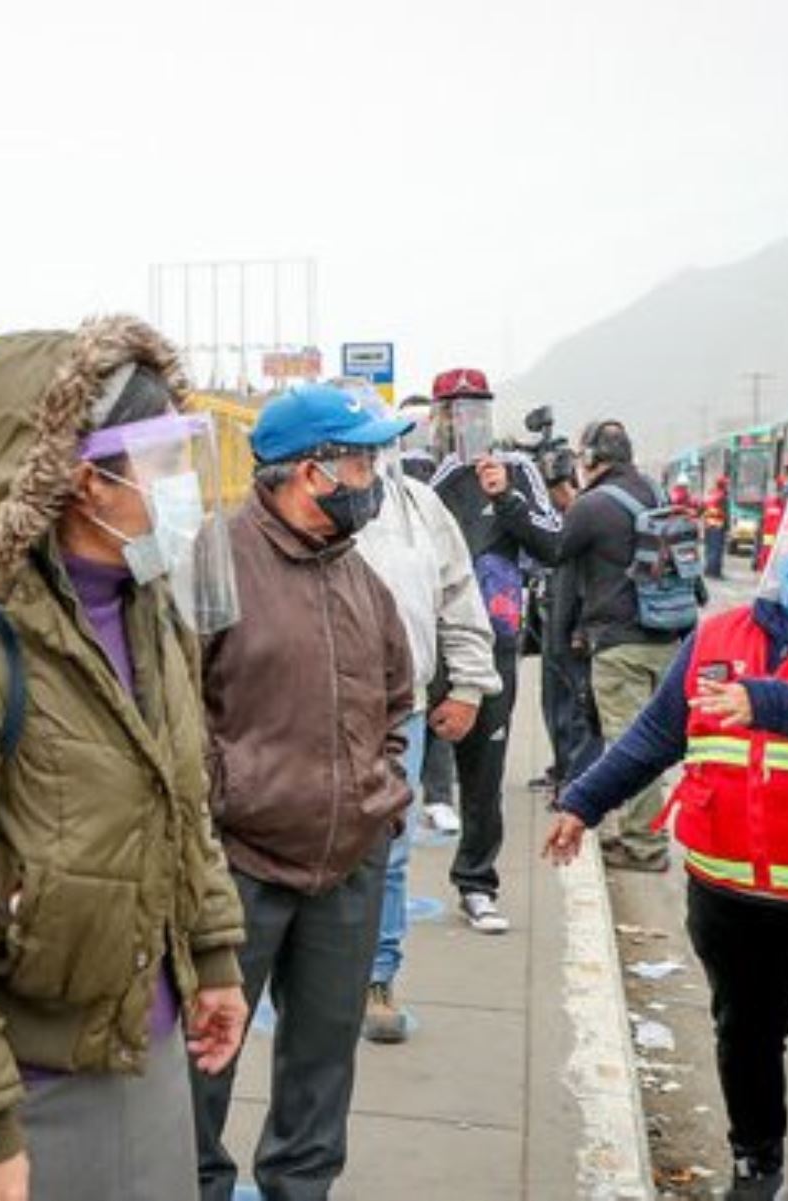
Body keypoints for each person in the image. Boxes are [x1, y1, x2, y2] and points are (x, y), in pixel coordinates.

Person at [0, 320, 248, 1201]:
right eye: (160, 461)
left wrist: (214, 955)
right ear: (83, 479)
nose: (184, 486)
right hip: (24, 1095)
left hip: (143, 1055)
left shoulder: (153, 615)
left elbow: (182, 809)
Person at [545, 479, 788, 1201]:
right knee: (743, 1039)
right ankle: (757, 1165)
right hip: (732, 899)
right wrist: (583, 801)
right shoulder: (718, 637)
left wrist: (767, 700)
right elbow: (656, 734)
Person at [192, 384, 414, 1200]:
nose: (373, 474)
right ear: (310, 473)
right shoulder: (212, 559)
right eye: (360, 458)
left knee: (321, 1072)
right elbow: (177, 706)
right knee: (201, 1067)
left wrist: (380, 791)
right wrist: (223, 801)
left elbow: (398, 695)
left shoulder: (360, 578)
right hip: (238, 866)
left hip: (347, 865)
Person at [347, 388, 500, 1044]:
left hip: (399, 712)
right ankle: (310, 976)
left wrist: (468, 683)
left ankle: (376, 979)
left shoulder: (419, 506)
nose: (375, 453)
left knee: (390, 849)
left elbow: (459, 596)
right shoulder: (296, 510)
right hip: (308, 713)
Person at [426, 367, 562, 933]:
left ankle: (477, 884)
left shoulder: (516, 470)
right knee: (393, 772)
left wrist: (505, 499)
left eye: (478, 409)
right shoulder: (414, 471)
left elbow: (554, 544)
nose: (467, 421)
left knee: (484, 774)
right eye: (455, 411)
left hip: (493, 645)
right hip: (424, 643)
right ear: (435, 416)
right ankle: (376, 906)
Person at [557, 420, 699, 872]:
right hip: (668, 636)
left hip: (620, 644)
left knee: (629, 744)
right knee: (656, 740)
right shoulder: (655, 493)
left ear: (593, 459)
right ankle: (641, 834)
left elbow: (550, 549)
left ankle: (644, 846)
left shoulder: (592, 505)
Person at [533, 442, 603, 800]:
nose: (554, 498)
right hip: (556, 621)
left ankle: (576, 784)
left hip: (578, 628)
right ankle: (563, 771)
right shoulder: (574, 513)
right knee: (554, 705)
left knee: (577, 711)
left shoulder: (589, 512)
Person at [702, 475, 731, 579]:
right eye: (726, 484)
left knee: (709, 549)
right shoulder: (722, 496)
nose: (728, 486)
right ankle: (715, 572)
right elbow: (725, 513)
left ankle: (708, 570)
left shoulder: (710, 494)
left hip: (708, 525)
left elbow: (703, 508)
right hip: (718, 526)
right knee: (716, 550)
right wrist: (728, 527)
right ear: (723, 485)